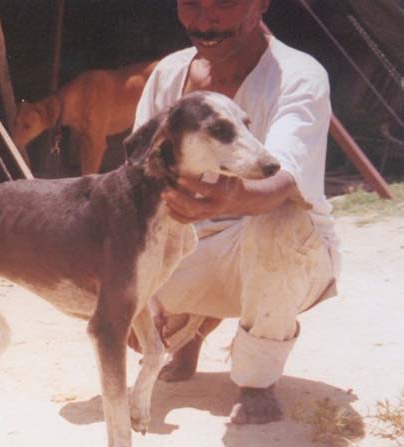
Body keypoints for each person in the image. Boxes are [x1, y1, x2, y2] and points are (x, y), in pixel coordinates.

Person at [134, 0, 340, 425]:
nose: (204, 19)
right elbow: (139, 175)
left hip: (284, 252)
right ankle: (186, 330)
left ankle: (256, 379)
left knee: (279, 217)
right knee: (114, 289)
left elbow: (282, 180)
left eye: (223, 3)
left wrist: (227, 198)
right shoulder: (169, 74)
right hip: (193, 241)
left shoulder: (298, 75)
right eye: (191, 3)